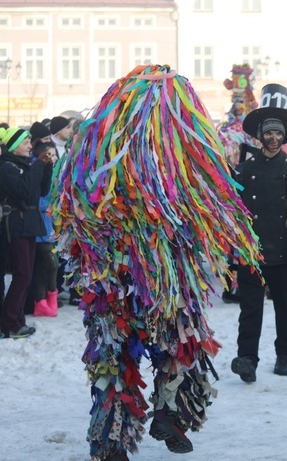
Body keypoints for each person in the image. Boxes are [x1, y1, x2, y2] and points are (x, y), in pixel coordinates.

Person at [52, 64, 263, 458]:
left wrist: (89, 256)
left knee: (114, 357)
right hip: (169, 279)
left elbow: (67, 213)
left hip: (110, 281)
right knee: (182, 345)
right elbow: (215, 211)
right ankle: (169, 413)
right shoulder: (189, 152)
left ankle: (111, 440)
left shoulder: (91, 147)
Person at [231, 83, 287, 383]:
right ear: (260, 136)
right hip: (252, 252)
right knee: (250, 309)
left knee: (285, 308)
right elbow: (236, 215)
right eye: (269, 133)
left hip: (283, 251)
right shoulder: (242, 171)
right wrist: (236, 250)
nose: (273, 138)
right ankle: (247, 359)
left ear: (284, 136)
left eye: (278, 133)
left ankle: (285, 354)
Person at [0, 125, 53, 339]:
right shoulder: (7, 167)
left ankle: (16, 319)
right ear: (13, 146)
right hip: (16, 224)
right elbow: (23, 191)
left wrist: (46, 168)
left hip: (29, 223)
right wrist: (38, 165)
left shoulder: (24, 165)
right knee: (22, 275)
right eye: (24, 143)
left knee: (27, 275)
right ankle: (10, 322)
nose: (29, 146)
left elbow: (40, 191)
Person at [27, 142, 59, 317]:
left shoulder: (54, 173)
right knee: (50, 262)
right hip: (39, 227)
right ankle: (46, 297)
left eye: (54, 155)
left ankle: (44, 301)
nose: (52, 158)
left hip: (49, 227)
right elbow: (35, 198)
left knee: (42, 267)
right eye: (49, 155)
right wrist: (50, 206)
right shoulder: (36, 171)